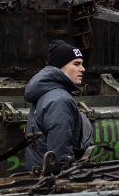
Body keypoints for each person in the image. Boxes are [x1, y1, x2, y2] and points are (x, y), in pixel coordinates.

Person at [24, 40, 93, 172]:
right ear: (60, 67)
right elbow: (60, 157)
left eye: (82, 64)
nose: (83, 69)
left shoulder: (47, 93)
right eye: (76, 64)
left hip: (39, 175)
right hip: (52, 180)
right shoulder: (60, 100)